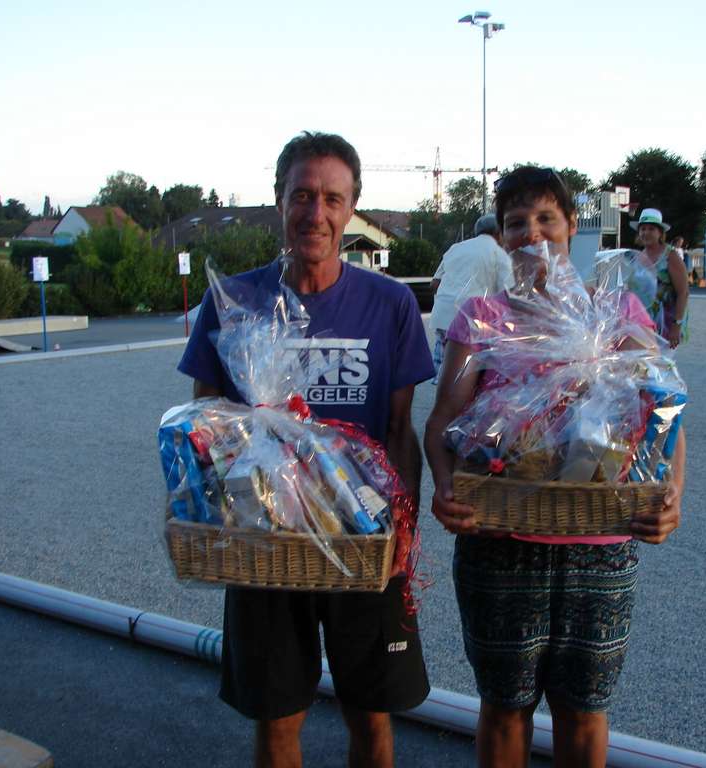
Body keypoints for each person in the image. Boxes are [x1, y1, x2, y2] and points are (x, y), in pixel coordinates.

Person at [178, 131, 433, 768]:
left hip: (361, 537)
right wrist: (209, 519)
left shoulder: (391, 303)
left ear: (352, 209)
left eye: (331, 198)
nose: (314, 213)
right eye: (301, 195)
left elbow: (401, 431)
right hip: (264, 544)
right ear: (278, 200)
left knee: (371, 720)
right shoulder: (233, 300)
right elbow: (202, 425)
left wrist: (403, 529)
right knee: (277, 725)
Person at [424, 166, 687, 768]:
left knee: (585, 707)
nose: (532, 232)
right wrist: (444, 485)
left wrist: (672, 494)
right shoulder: (482, 318)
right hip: (499, 538)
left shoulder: (616, 310)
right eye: (516, 222)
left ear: (572, 224)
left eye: (546, 218)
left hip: (602, 539)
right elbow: (443, 422)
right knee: (503, 704)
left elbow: (666, 405)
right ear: (502, 235)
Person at [429, 213, 511, 376]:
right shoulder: (499, 254)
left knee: (444, 376)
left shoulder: (455, 248)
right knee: (471, 379)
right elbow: (509, 293)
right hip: (474, 325)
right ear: (498, 233)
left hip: (443, 319)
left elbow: (435, 283)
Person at [629, 208, 690, 347]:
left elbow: (683, 292)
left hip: (665, 322)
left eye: (651, 229)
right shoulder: (638, 257)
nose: (646, 233)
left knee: (661, 364)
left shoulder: (670, 256)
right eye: (643, 229)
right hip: (642, 321)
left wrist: (677, 325)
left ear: (660, 233)